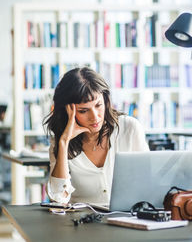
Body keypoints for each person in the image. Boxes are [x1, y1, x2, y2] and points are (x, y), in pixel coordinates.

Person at [44, 67, 149, 204]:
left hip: (125, 220)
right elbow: (58, 198)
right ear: (67, 112)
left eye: (98, 105)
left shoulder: (129, 129)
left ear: (105, 101)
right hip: (80, 223)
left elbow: (147, 183)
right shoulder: (60, 141)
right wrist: (64, 142)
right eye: (83, 111)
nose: (94, 117)